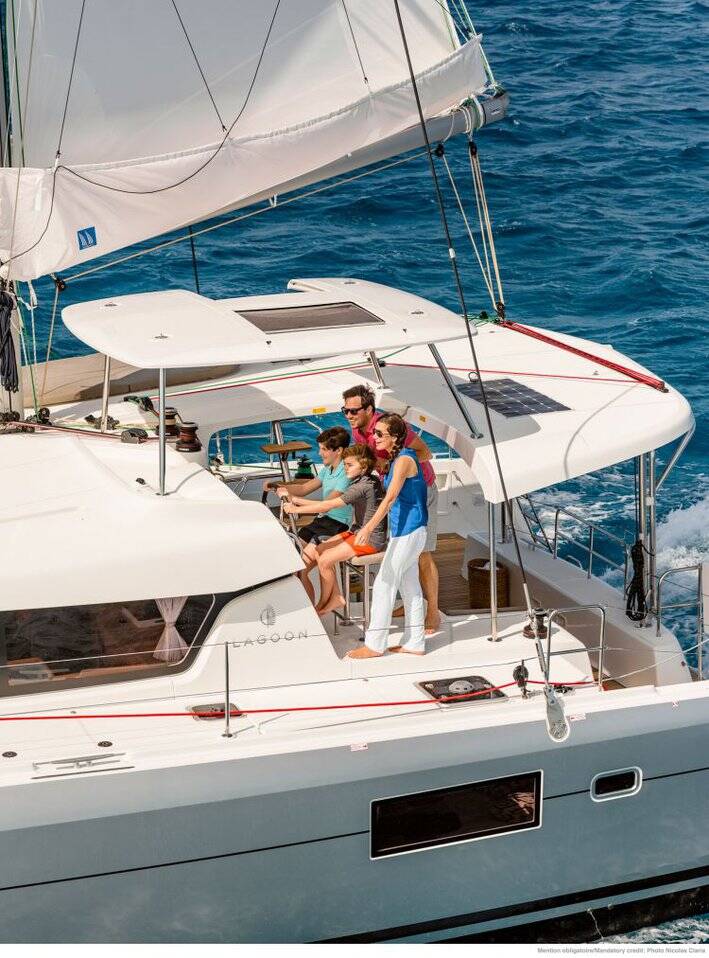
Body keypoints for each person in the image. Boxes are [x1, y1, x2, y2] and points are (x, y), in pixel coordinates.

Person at [341, 384, 441, 633]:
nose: (349, 415)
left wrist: (395, 465)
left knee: (422, 554)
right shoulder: (358, 431)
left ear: (369, 409)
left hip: (419, 491)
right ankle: (411, 604)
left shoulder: (389, 426)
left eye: (353, 411)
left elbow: (425, 453)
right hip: (395, 492)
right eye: (345, 411)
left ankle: (433, 612)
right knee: (407, 558)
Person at [346, 413, 429, 659]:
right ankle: (415, 642)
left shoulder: (404, 460)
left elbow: (391, 498)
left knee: (384, 583)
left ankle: (375, 644)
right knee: (410, 586)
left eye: (380, 433)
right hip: (407, 531)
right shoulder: (398, 459)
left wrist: (368, 528)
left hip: (410, 531)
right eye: (375, 433)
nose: (375, 437)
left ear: (395, 437)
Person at [283, 444, 387, 615]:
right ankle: (336, 596)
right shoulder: (368, 480)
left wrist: (295, 507)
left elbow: (329, 505)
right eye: (345, 464)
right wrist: (296, 501)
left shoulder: (362, 486)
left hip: (370, 540)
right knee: (320, 549)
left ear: (364, 466)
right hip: (356, 532)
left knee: (325, 560)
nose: (345, 468)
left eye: (350, 465)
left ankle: (325, 603)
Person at [268, 427, 352, 604]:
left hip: (336, 526)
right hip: (321, 521)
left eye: (324, 449)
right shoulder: (327, 469)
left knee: (301, 570)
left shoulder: (345, 474)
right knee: (293, 564)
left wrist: (295, 503)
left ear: (339, 450)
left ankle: (313, 613)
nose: (319, 453)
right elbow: (304, 488)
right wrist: (278, 487)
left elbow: (326, 504)